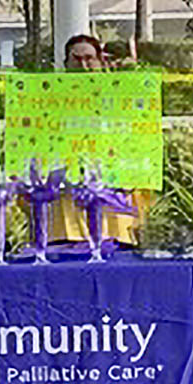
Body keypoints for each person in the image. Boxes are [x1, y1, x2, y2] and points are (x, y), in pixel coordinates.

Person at [51, 33, 150, 246]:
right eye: (76, 59)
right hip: (65, 210)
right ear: (65, 64)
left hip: (113, 210)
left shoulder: (122, 99)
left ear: (100, 61)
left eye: (89, 58)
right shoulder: (46, 104)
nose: (83, 65)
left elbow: (138, 144)